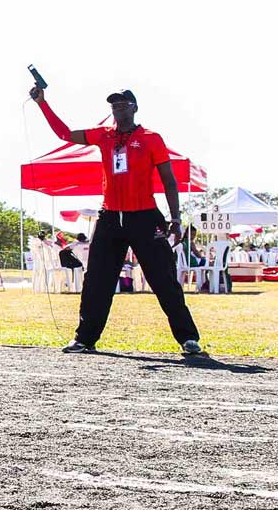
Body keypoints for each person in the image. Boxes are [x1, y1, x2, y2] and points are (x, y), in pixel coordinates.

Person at [30, 83, 203, 356]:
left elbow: (169, 182)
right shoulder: (105, 136)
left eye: (122, 103)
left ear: (134, 107)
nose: (117, 107)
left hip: (145, 217)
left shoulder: (151, 138)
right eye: (113, 104)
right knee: (97, 279)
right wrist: (42, 103)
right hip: (110, 216)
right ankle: (85, 338)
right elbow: (64, 134)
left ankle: (188, 339)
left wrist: (177, 220)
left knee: (163, 279)